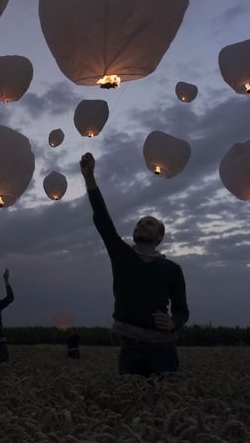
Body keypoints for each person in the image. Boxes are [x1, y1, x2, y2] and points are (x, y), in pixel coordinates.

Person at [80, 153, 189, 377]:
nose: (142, 224)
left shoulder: (172, 270)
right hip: (130, 347)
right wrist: (89, 177)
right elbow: (102, 218)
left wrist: (172, 323)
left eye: (149, 224)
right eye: (139, 223)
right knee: (131, 406)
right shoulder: (122, 256)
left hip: (163, 349)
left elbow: (181, 310)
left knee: (163, 406)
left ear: (159, 236)